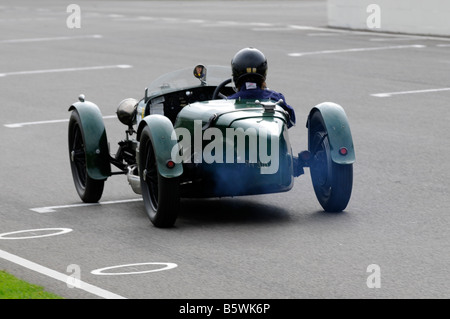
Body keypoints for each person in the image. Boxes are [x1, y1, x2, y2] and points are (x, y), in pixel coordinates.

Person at [228, 47, 296, 128]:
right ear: (264, 73)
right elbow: (291, 120)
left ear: (235, 75)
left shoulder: (228, 103)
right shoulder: (276, 99)